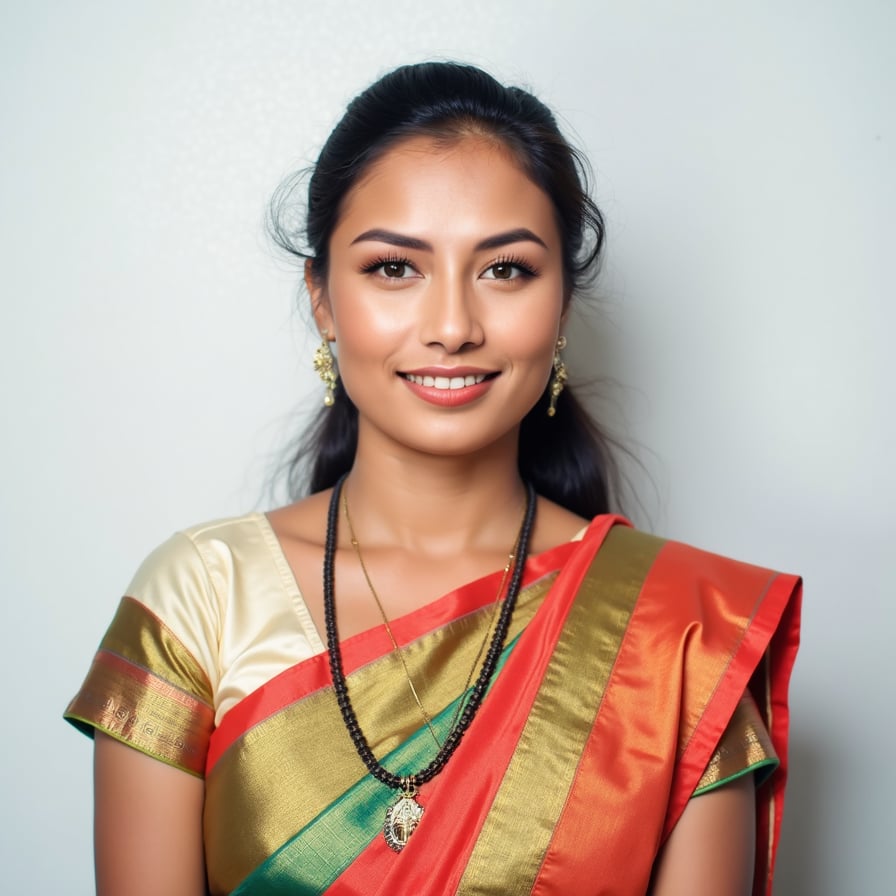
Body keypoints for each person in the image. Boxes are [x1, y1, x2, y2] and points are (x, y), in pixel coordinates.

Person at [65, 62, 801, 896]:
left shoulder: (679, 636)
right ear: (322, 299)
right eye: (393, 269)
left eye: (506, 270)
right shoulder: (201, 599)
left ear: (561, 306)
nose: (452, 327)